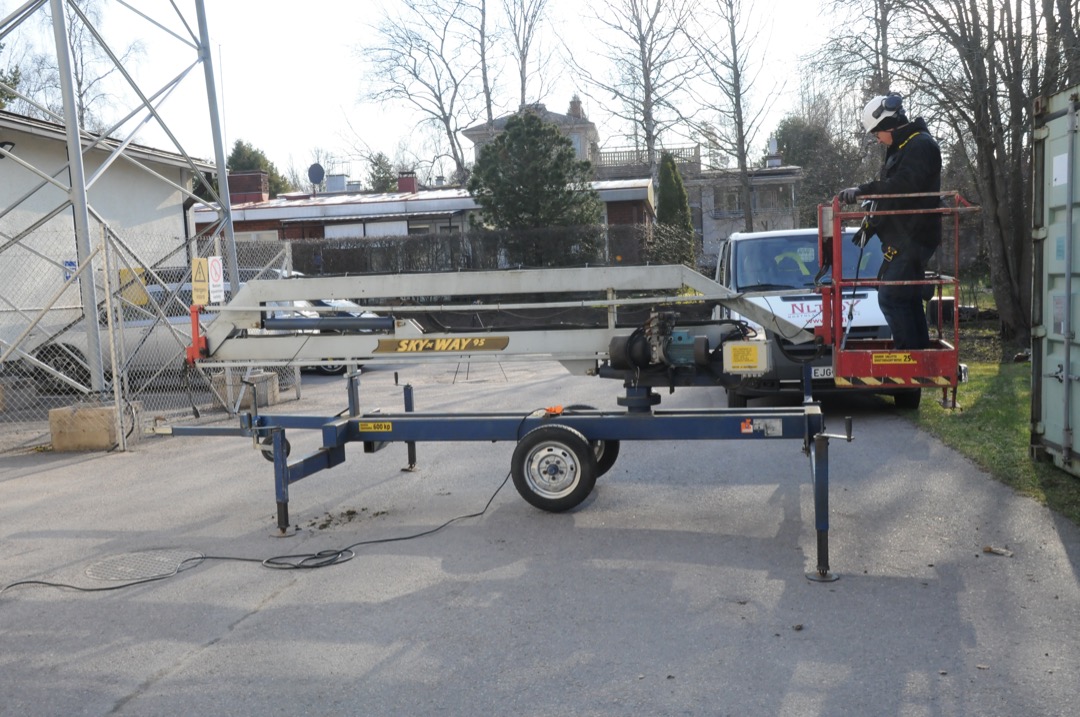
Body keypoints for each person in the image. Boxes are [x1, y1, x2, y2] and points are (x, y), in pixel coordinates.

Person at [838, 92, 942, 349]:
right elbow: (893, 197)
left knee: (891, 297)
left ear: (889, 125)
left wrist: (863, 190)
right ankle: (918, 354)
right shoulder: (903, 147)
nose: (877, 139)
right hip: (906, 237)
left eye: (877, 133)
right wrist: (870, 226)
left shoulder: (920, 146)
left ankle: (908, 357)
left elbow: (902, 187)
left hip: (914, 237)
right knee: (906, 298)